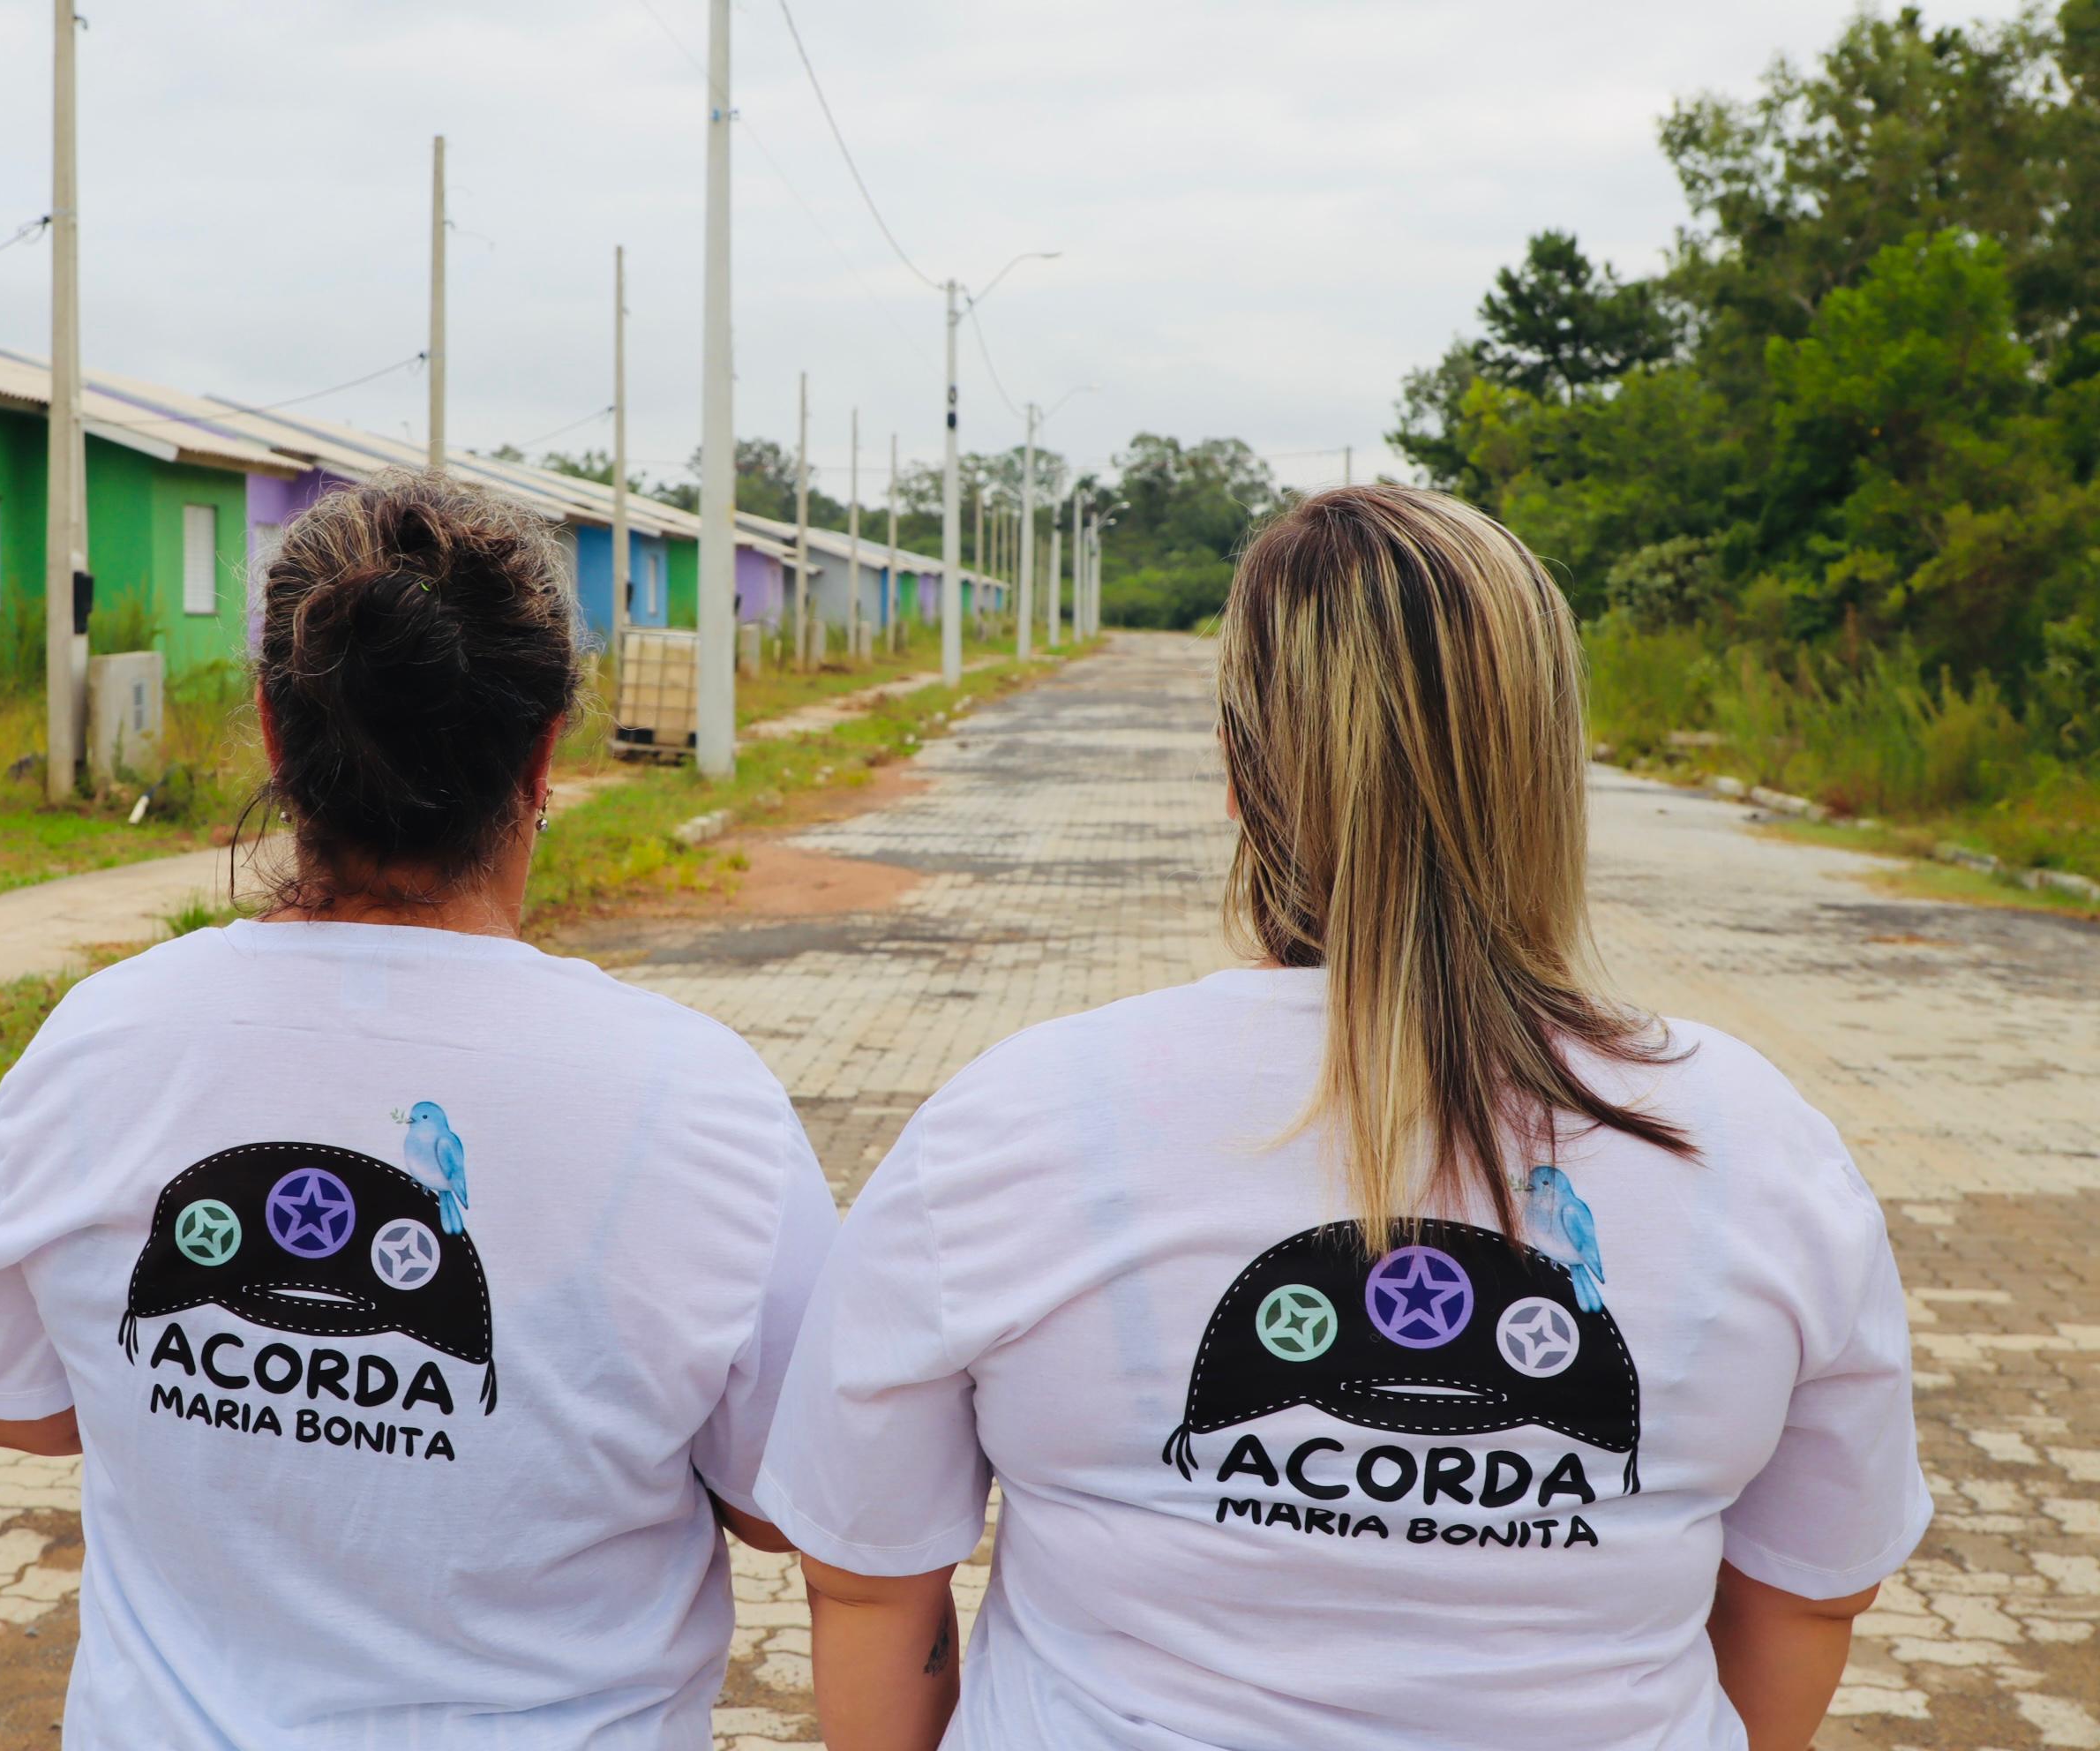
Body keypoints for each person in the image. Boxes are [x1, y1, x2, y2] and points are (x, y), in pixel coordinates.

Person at [754, 485, 1930, 1751]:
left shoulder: (1015, 1119)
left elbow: (868, 1579)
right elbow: (1811, 1593)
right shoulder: (1756, 1144)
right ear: (1552, 768)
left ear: (1238, 769)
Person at [0, 474, 837, 1749]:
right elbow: (793, 1502)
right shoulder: (701, 1102)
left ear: (273, 728)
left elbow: (6, 1407)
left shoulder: (99, 1043)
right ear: (543, 754)